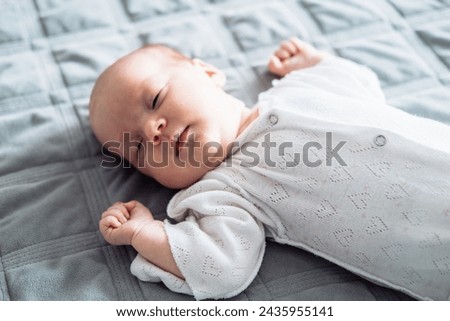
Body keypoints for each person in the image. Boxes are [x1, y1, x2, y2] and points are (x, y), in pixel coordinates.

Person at [89, 38, 450, 300]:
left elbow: (360, 83)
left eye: (154, 100)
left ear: (208, 72)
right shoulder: (223, 193)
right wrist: (144, 234)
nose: (153, 131)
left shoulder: (301, 86)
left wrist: (313, 61)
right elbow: (220, 267)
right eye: (137, 147)